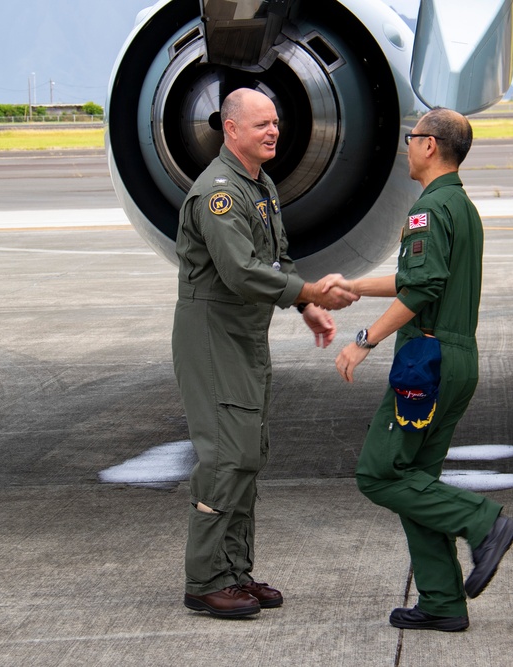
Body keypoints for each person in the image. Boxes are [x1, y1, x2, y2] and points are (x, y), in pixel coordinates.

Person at [173, 87, 357, 618]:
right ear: (230, 130)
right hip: (212, 335)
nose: (273, 132)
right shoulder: (220, 193)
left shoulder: (261, 185)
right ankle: (204, 579)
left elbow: (274, 259)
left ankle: (234, 571)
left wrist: (305, 308)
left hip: (245, 333)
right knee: (224, 456)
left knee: (249, 454)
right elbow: (239, 270)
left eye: (274, 123)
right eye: (261, 125)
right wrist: (310, 292)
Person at [334, 107, 513, 632]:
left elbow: (421, 288)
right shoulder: (460, 206)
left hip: (427, 360)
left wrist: (365, 338)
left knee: (378, 473)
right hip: (458, 356)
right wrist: (351, 284)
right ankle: (441, 601)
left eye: (412, 137)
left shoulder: (427, 211)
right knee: (416, 480)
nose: (407, 146)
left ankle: (481, 522)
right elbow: (416, 275)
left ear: (431, 146)